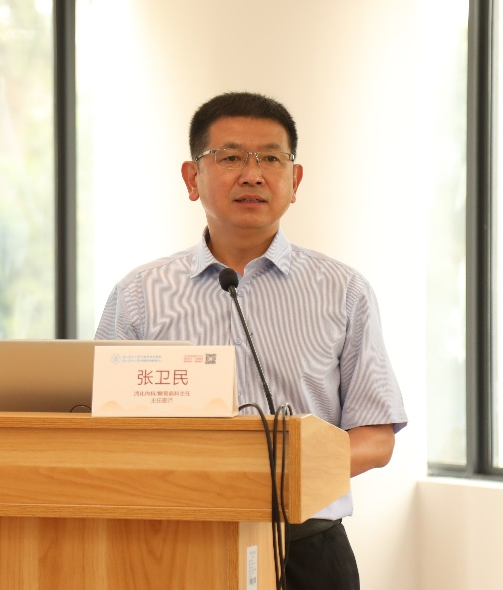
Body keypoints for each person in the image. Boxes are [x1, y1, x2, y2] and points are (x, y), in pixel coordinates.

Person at [94, 91, 407, 590]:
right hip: (173, 543)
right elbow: (103, 432)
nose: (253, 174)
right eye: (231, 157)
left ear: (294, 181)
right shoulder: (139, 296)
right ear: (192, 178)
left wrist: (279, 474)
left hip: (307, 548)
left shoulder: (344, 290)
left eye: (271, 159)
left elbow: (375, 437)